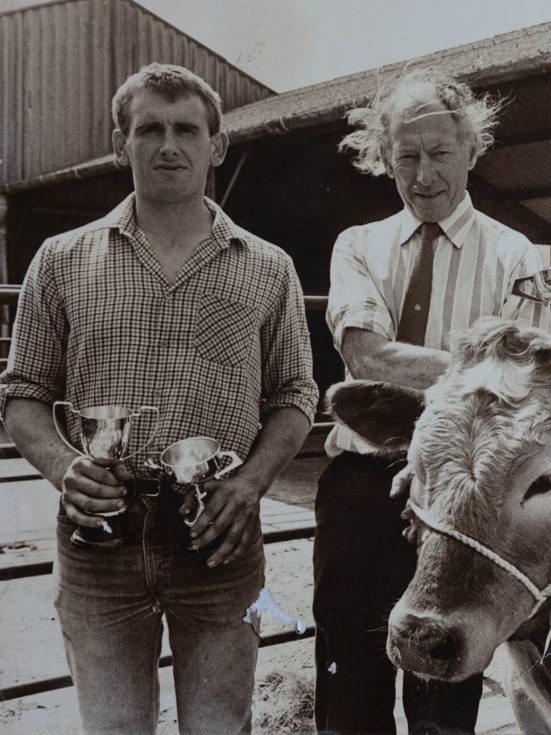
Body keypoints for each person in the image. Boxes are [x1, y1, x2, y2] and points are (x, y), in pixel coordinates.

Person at [0, 63, 319, 734]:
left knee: (218, 726)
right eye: (149, 129)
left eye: (186, 129)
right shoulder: (60, 259)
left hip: (219, 535)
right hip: (99, 539)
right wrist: (67, 470)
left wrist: (251, 485)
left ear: (217, 145)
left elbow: (295, 394)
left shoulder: (269, 267)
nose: (168, 145)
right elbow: (22, 394)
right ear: (122, 143)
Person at [313, 67, 551, 735]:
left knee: (447, 679)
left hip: (467, 496)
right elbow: (367, 355)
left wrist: (500, 378)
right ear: (384, 157)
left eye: (440, 153)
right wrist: (487, 368)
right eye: (406, 156)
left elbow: (520, 399)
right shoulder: (356, 245)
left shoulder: (516, 255)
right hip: (362, 483)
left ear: (472, 150)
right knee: (350, 673)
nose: (423, 174)